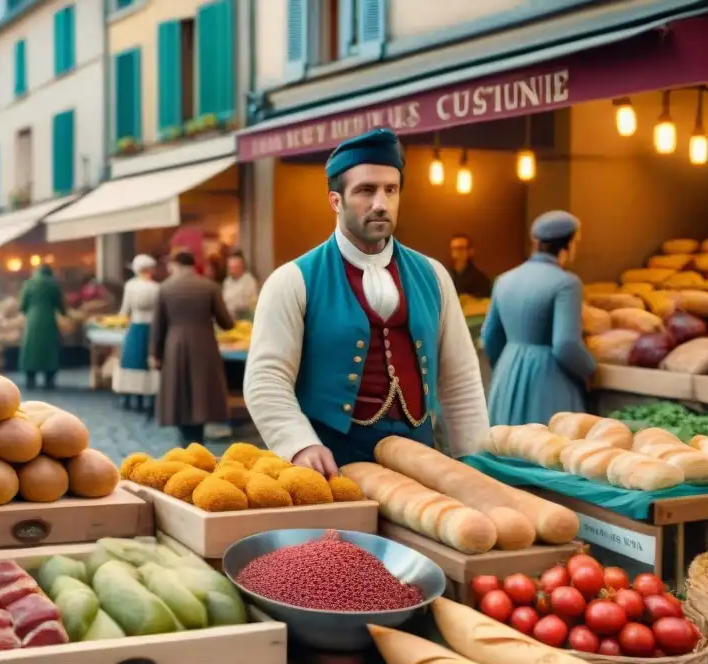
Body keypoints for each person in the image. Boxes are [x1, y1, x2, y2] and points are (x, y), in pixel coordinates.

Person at [243, 128, 489, 475]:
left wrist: (473, 461)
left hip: (420, 462)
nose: (380, 203)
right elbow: (266, 380)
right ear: (335, 200)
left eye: (391, 189)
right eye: (365, 191)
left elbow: (460, 379)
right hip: (334, 465)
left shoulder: (433, 276)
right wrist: (300, 444)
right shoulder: (292, 280)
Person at [483, 211, 596, 426]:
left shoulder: (504, 279)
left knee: (506, 447)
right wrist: (590, 369)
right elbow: (566, 344)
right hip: (549, 381)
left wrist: (508, 365)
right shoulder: (567, 283)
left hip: (507, 376)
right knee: (549, 449)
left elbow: (489, 338)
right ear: (568, 245)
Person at [150, 251, 235, 446]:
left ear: (175, 265)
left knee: (178, 390)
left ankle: (184, 439)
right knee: (201, 391)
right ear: (193, 265)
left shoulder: (165, 288)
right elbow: (226, 323)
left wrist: (155, 353)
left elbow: (158, 325)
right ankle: (198, 439)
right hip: (204, 344)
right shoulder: (209, 286)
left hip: (175, 343)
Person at [113, 254, 160, 414]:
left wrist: (118, 322)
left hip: (135, 326)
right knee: (148, 362)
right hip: (151, 328)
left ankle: (129, 396)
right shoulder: (156, 287)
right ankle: (149, 396)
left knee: (131, 361)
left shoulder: (130, 286)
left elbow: (125, 309)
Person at [19, 264, 66, 390]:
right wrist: (64, 313)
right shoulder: (53, 284)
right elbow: (61, 305)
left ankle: (30, 379)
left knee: (31, 349)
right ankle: (49, 381)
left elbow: (22, 306)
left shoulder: (28, 284)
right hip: (49, 319)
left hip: (32, 320)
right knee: (49, 350)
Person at [222, 250, 260, 320]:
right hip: (228, 317)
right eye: (230, 268)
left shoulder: (249, 281)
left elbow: (251, 303)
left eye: (234, 268)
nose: (231, 271)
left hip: (244, 318)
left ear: (241, 267)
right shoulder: (227, 281)